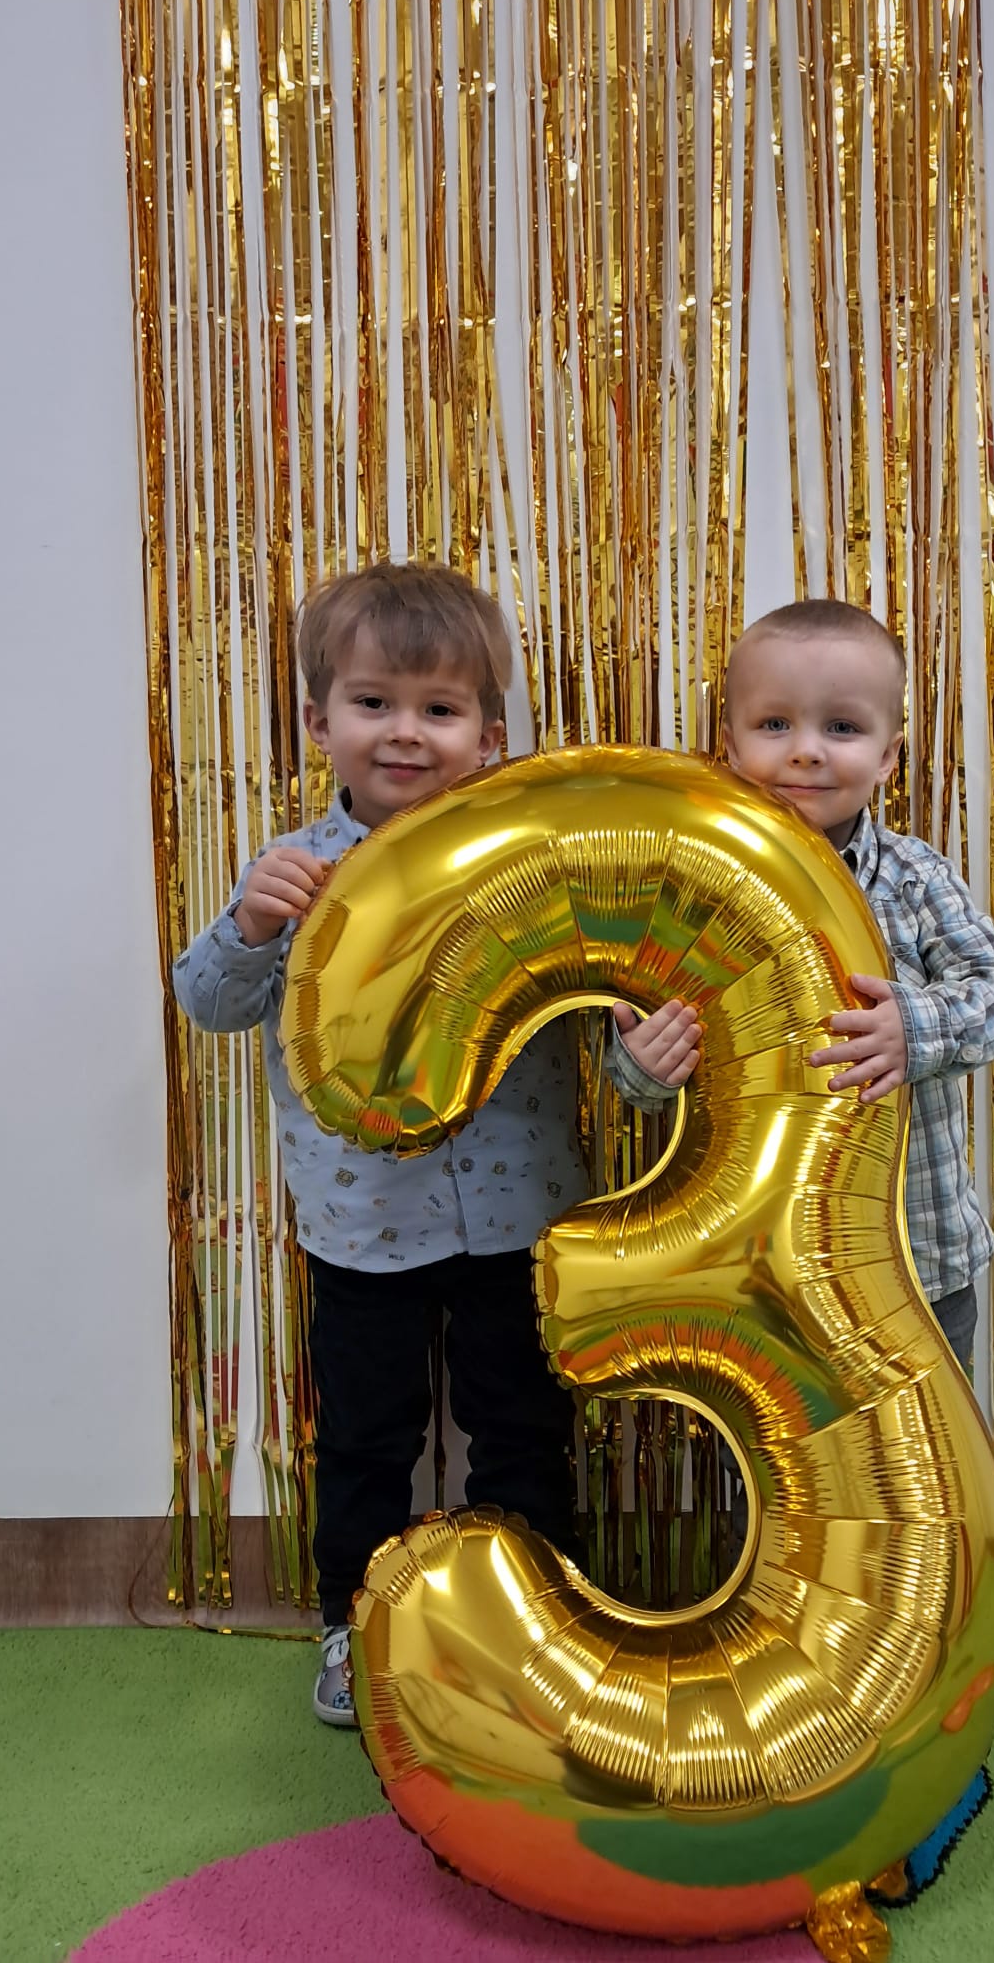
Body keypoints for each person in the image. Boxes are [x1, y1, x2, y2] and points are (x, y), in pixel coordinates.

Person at [172, 562, 585, 1728]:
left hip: (521, 1219)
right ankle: (354, 1629)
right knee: (365, 1441)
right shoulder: (293, 873)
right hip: (360, 1229)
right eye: (373, 702)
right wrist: (251, 924)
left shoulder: (529, 864)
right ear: (320, 723)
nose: (405, 731)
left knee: (524, 1430)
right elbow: (205, 1001)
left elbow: (598, 995)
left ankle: (538, 1624)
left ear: (489, 739)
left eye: (439, 708)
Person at [609, 598, 994, 1385]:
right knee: (775, 1438)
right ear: (729, 745)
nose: (805, 752)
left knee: (926, 1446)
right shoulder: (692, 894)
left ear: (888, 756)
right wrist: (644, 1066)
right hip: (762, 1269)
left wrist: (916, 1027)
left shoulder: (912, 878)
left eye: (841, 727)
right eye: (775, 725)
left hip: (917, 1260)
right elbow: (636, 1066)